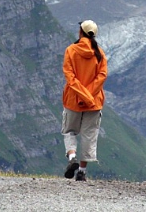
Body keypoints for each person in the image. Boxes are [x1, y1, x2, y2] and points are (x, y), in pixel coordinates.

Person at [62, 20, 107, 182]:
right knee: (89, 135)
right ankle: (82, 171)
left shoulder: (71, 50)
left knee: (70, 131)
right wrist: (89, 96)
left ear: (80, 32)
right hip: (94, 102)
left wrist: (81, 95)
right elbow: (101, 76)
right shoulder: (99, 54)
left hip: (73, 100)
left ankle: (71, 156)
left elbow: (70, 76)